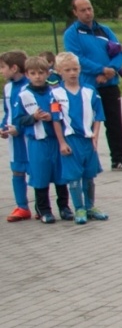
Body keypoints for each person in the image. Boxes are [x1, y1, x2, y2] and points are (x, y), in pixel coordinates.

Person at [62, 0, 122, 171]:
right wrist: (100, 70)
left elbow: (118, 52)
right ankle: (86, 160)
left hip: (109, 84)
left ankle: (118, 159)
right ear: (75, 12)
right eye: (83, 10)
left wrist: (111, 70)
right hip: (88, 86)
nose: (88, 13)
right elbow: (77, 58)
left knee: (115, 124)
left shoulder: (105, 30)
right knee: (86, 124)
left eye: (90, 8)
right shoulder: (72, 34)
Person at [54, 53, 107, 223]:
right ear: (59, 71)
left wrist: (95, 135)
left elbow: (99, 115)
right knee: (74, 177)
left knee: (89, 176)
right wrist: (62, 142)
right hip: (71, 140)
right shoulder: (56, 94)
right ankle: (79, 208)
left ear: (80, 69)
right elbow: (56, 120)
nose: (72, 73)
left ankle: (90, 207)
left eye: (75, 69)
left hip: (87, 139)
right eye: (67, 70)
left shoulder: (89, 91)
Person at [16, 56, 66, 222]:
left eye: (41, 73)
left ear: (47, 73)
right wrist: (34, 117)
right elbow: (19, 120)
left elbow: (63, 113)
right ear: (27, 74)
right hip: (37, 142)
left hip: (55, 139)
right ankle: (44, 210)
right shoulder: (24, 95)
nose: (37, 76)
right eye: (33, 73)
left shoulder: (55, 92)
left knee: (60, 174)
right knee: (40, 175)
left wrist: (52, 117)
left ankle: (64, 207)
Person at [3, 50, 31, 220]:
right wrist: (3, 127)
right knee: (17, 171)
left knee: (35, 171)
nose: (1, 71)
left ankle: (42, 206)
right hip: (14, 139)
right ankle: (22, 207)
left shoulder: (30, 87)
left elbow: (32, 114)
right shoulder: (7, 87)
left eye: (2, 67)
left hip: (29, 137)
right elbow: (8, 111)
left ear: (14, 68)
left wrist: (19, 128)